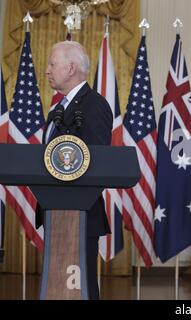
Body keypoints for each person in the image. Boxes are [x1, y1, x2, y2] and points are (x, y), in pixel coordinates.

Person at [36, 41, 113, 300]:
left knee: (83, 287)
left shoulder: (94, 106)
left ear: (70, 68)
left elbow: (96, 163)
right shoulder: (59, 109)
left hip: (80, 216)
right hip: (56, 214)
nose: (46, 70)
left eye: (52, 64)